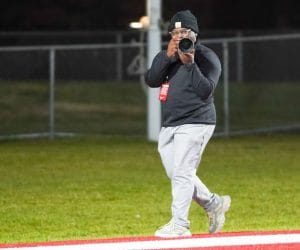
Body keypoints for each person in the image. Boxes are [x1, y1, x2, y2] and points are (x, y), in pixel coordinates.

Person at [144, 10, 231, 238]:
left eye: (185, 31)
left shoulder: (206, 57)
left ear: (195, 34)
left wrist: (191, 64)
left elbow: (205, 91)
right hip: (170, 123)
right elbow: (151, 80)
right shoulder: (167, 56)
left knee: (183, 172)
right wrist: (166, 57)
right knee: (177, 172)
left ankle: (180, 224)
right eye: (176, 32)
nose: (180, 35)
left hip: (197, 121)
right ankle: (213, 203)